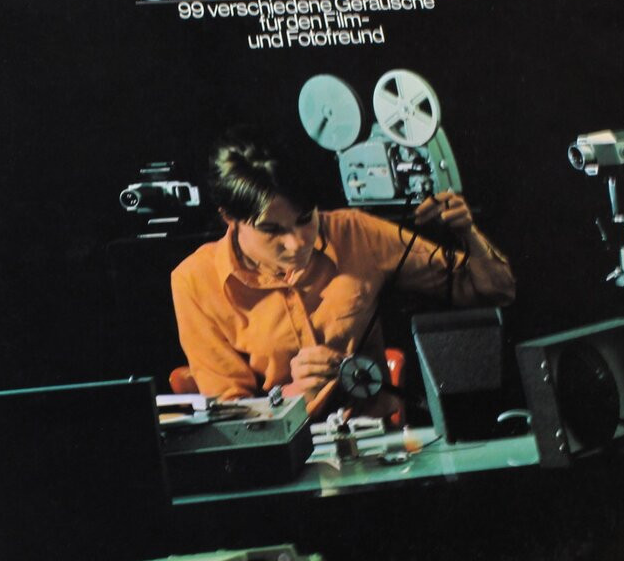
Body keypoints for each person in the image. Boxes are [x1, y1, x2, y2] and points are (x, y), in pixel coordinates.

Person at [170, 129, 515, 419]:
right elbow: (230, 415)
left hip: (377, 438)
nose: (297, 243)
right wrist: (292, 396)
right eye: (272, 230)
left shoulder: (356, 233)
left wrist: (468, 233)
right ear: (229, 218)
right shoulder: (195, 281)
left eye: (306, 219)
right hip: (281, 457)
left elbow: (495, 290)